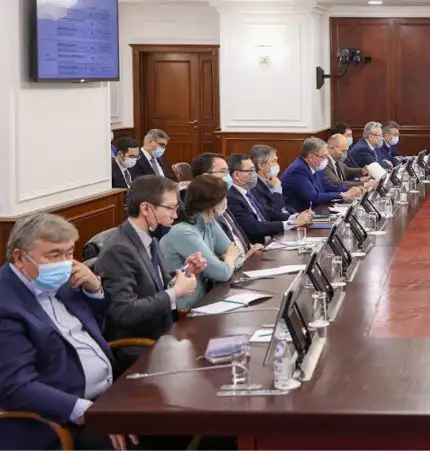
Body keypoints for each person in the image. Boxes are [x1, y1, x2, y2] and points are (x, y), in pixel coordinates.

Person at [0, 213, 137, 450]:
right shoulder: (5, 304)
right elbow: (16, 387)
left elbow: (92, 331)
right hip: (56, 421)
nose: (64, 263)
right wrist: (88, 411)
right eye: (54, 255)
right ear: (20, 257)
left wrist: (94, 289)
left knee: (173, 420)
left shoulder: (58, 279)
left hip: (107, 396)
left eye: (69, 253)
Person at [95, 176, 204, 348]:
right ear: (146, 208)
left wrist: (186, 271)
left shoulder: (149, 238)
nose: (175, 215)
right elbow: (123, 312)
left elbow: (156, 285)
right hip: (142, 344)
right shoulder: (119, 250)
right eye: (170, 208)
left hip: (166, 331)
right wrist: (175, 293)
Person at [160, 175, 254, 309]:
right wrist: (228, 259)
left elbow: (237, 256)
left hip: (208, 298)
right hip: (187, 309)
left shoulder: (209, 222)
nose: (226, 201)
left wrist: (227, 261)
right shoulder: (183, 232)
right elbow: (221, 273)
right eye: (223, 198)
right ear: (212, 203)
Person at [227, 154, 313, 245]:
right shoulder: (232, 197)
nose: (254, 174)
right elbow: (252, 226)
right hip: (258, 245)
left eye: (254, 170)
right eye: (251, 170)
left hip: (272, 239)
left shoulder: (249, 190)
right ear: (236, 175)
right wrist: (292, 223)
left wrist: (295, 217)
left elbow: (268, 212)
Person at [191, 153, 257, 258]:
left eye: (227, 171)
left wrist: (250, 249)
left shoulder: (222, 200)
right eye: (223, 171)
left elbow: (237, 234)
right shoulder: (203, 211)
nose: (228, 176)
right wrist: (244, 258)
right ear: (206, 177)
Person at [281, 137, 362, 212]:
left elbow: (327, 187)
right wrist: (342, 195)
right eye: (324, 156)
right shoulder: (298, 170)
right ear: (311, 157)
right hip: (298, 215)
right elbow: (314, 197)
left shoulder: (316, 166)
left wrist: (351, 190)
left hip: (315, 209)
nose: (326, 160)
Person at [249, 144, 288, 214]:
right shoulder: (254, 186)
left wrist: (296, 215)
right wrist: (277, 189)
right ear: (261, 166)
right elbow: (274, 211)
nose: (277, 164)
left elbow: (284, 206)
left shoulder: (273, 180)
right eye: (274, 161)